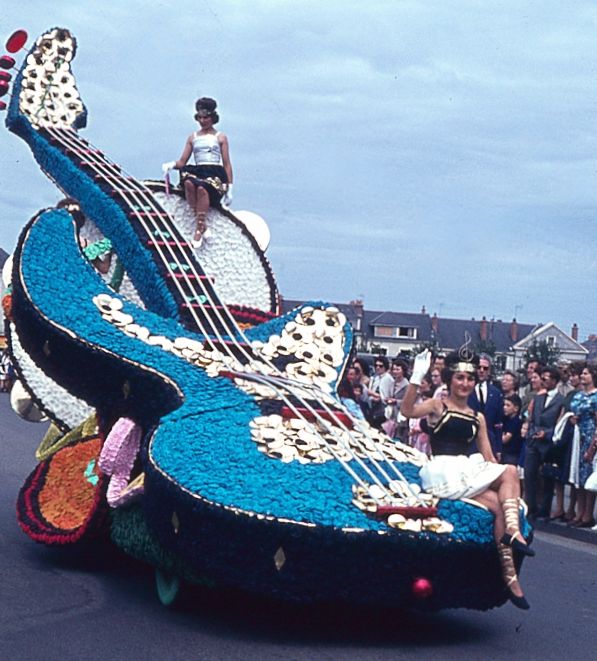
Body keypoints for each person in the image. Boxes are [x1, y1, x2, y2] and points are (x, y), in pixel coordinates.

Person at [401, 349, 532, 610]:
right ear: (450, 380)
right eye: (460, 378)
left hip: (464, 471)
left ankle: (509, 576)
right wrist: (417, 376)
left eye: (470, 379)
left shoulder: (478, 417)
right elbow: (406, 410)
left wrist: (510, 491)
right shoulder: (438, 405)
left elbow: (488, 457)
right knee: (509, 471)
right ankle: (514, 533)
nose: (465, 384)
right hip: (441, 471)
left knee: (498, 505)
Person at [163, 97, 233, 247]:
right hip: (198, 170)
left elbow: (227, 163)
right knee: (188, 183)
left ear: (212, 117)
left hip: (213, 172)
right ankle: (203, 225)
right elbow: (183, 161)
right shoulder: (193, 137)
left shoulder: (220, 137)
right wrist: (172, 165)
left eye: (206, 117)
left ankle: (198, 229)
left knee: (202, 188)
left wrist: (230, 186)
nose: (202, 121)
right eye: (200, 117)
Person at [524, 367, 564, 520]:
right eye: (542, 378)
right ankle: (531, 506)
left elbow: (560, 423)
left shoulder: (560, 400)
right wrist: (531, 433)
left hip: (547, 443)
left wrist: (547, 434)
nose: (543, 381)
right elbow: (532, 418)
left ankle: (544, 509)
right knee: (529, 475)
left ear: (554, 381)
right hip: (533, 440)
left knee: (547, 478)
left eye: (546, 378)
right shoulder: (538, 398)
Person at [568, 364, 597, 527]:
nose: (582, 376)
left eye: (586, 374)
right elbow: (573, 412)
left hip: (590, 436)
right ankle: (579, 512)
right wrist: (572, 420)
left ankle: (587, 514)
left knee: (588, 476)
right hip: (577, 436)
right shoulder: (578, 396)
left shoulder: (596, 397)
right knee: (577, 476)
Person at [468, 354, 504, 458]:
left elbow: (498, 423)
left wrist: (498, 449)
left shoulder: (496, 393)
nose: (481, 370)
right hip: (468, 442)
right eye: (479, 367)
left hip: (489, 443)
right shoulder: (465, 390)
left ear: (489, 371)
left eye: (485, 368)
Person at [367, 356, 394, 429]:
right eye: (376, 365)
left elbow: (386, 396)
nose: (377, 368)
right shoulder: (375, 378)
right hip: (373, 406)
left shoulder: (388, 379)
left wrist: (373, 394)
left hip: (383, 409)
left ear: (385, 367)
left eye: (380, 366)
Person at [501, 395, 523, 467]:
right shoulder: (505, 419)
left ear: (516, 408)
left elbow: (505, 439)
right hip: (504, 452)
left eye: (508, 405)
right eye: (504, 405)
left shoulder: (516, 422)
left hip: (511, 455)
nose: (504, 407)